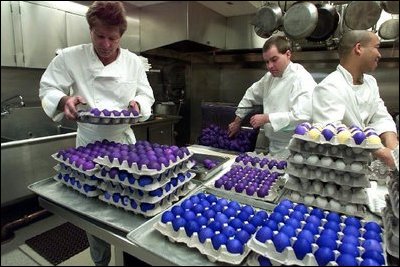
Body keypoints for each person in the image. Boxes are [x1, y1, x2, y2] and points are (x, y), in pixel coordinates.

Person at [39, 1, 155, 265]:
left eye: (112, 38)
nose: (105, 44)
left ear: (121, 36)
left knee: (128, 200)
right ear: (90, 30)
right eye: (99, 36)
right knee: (94, 209)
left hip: (124, 143)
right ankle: (100, 260)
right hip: (89, 143)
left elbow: (145, 94)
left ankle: (130, 255)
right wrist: (62, 101)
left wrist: (139, 104)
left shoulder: (133, 62)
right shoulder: (70, 57)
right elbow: (48, 88)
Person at [312, 30, 398, 168]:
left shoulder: (370, 82)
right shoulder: (329, 87)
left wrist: (394, 148)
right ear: (358, 48)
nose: (379, 54)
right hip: (340, 167)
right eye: (376, 47)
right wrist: (381, 152)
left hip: (364, 165)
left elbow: (381, 117)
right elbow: (331, 134)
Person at [228, 35, 316, 158]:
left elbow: (302, 117)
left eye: (274, 60)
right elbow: (250, 94)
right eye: (267, 61)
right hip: (274, 148)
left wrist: (267, 118)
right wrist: (238, 121)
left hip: (296, 150)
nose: (270, 66)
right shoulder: (269, 78)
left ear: (288, 54)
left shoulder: (301, 78)